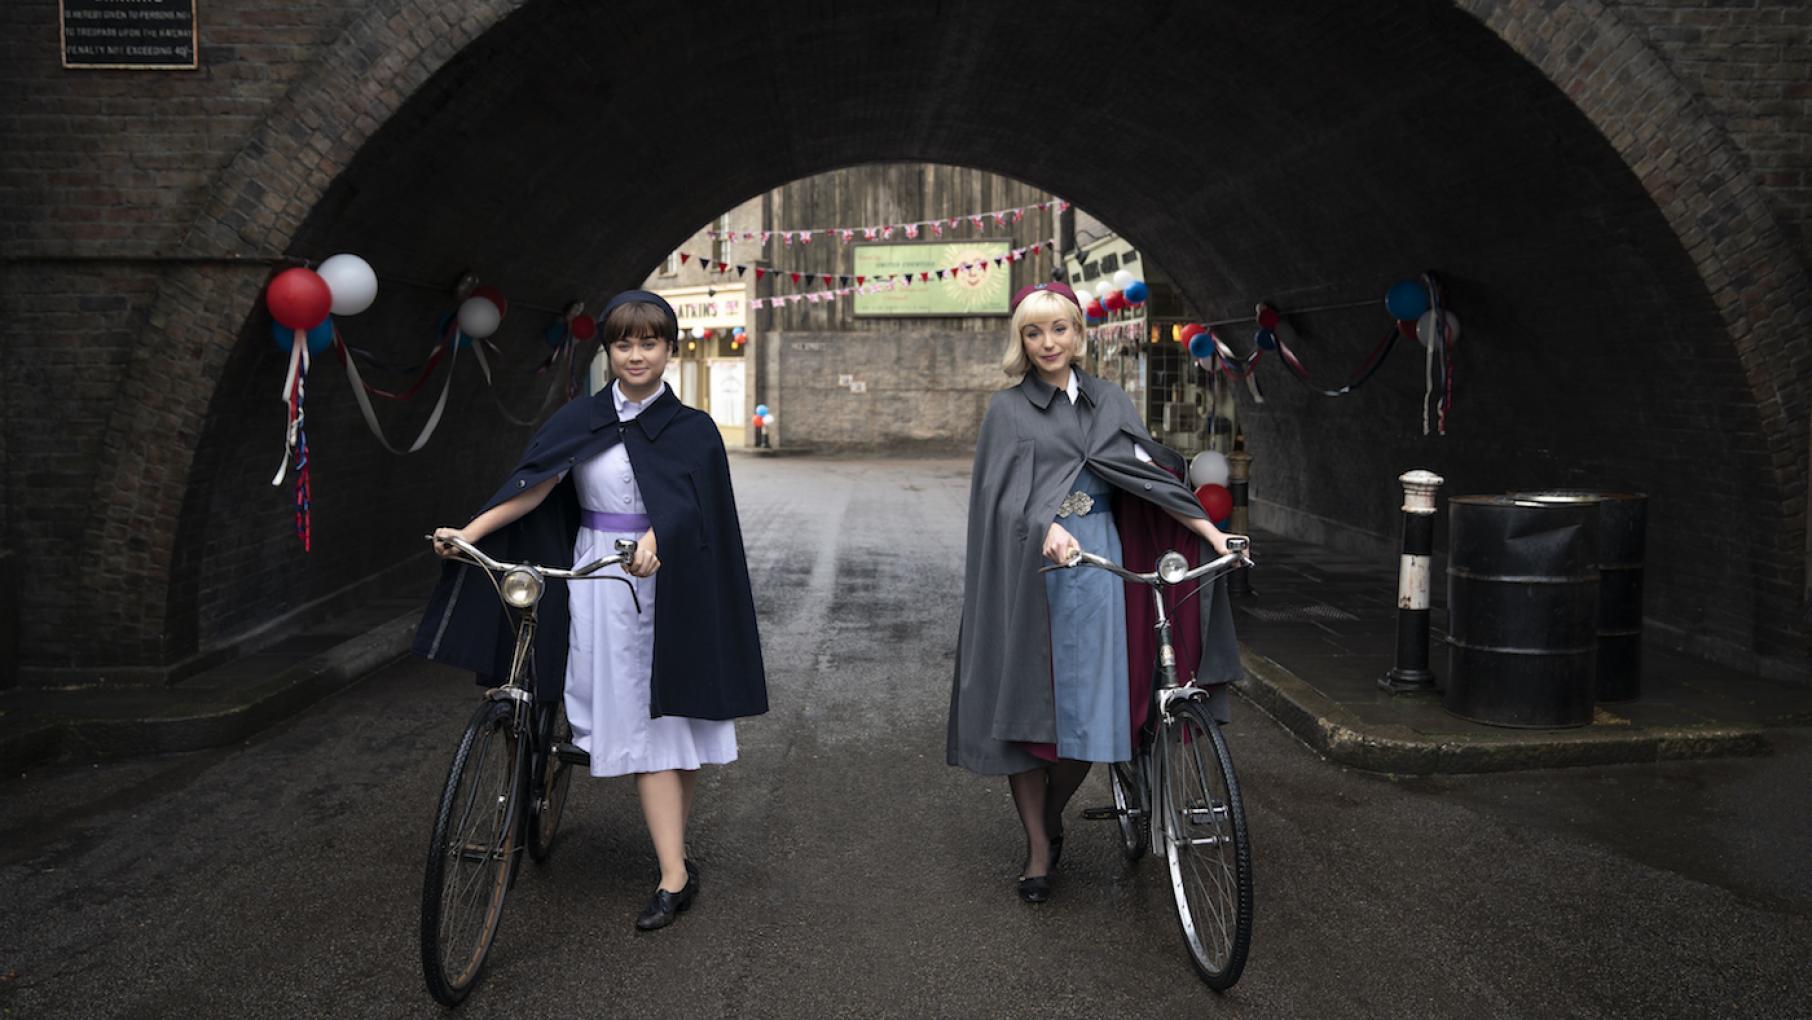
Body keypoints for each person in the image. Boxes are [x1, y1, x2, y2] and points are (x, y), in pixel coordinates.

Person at [414, 290, 767, 931]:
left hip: (669, 581)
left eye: (649, 342)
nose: (637, 354)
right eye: (624, 343)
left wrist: (658, 540)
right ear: (608, 350)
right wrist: (468, 531)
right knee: (649, 718)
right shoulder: (581, 419)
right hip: (597, 577)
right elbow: (535, 485)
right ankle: (675, 861)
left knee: (669, 721)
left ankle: (673, 875)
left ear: (669, 348)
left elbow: (694, 508)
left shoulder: (693, 430)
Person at [947, 281, 1246, 903]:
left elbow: (1151, 478)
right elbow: (999, 498)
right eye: (1034, 332)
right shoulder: (1008, 410)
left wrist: (1213, 534)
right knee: (1029, 711)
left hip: (1102, 567)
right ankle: (1037, 848)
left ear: (1079, 333)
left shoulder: (1110, 400)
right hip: (1032, 572)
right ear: (1021, 342)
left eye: (1058, 328)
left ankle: (1053, 818)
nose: (1047, 342)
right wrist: (1044, 526)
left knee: (1096, 714)